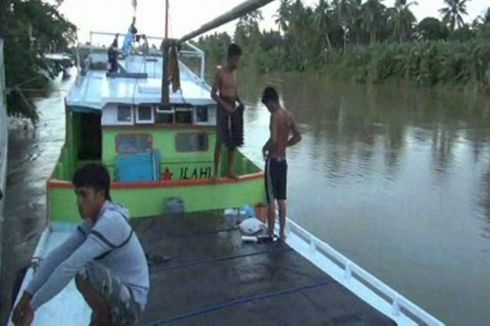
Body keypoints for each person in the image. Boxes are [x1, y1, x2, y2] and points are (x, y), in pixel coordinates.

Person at [12, 163, 149, 326]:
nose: (79, 202)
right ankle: (103, 318)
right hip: (120, 295)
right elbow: (57, 256)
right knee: (78, 266)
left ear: (101, 194)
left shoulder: (111, 222)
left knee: (84, 271)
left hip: (131, 305)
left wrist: (32, 308)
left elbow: (69, 266)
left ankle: (107, 320)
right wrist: (26, 296)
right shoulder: (93, 221)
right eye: (77, 195)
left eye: (84, 195)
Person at [261, 87, 302, 242]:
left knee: (271, 198)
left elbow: (273, 139)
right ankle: (282, 234)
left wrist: (264, 149)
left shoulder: (275, 116)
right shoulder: (289, 116)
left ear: (272, 101)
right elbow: (298, 137)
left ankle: (270, 233)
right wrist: (285, 145)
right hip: (283, 162)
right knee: (281, 199)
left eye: (267, 106)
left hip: (272, 162)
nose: (267, 109)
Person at [211, 43, 244, 180]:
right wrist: (225, 106)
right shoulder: (220, 73)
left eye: (238, 59)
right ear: (230, 59)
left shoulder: (234, 74)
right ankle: (216, 173)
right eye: (236, 59)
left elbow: (234, 91)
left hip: (233, 106)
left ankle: (230, 170)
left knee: (234, 141)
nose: (237, 62)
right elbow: (213, 94)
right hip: (223, 107)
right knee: (220, 140)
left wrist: (240, 102)